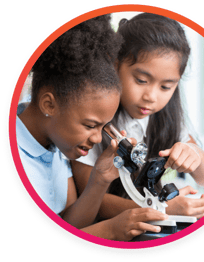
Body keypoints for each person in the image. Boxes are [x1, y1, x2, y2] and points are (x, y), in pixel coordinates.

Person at [16, 14, 168, 241]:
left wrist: (100, 180)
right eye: (90, 125)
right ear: (49, 104)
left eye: (103, 127)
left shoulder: (56, 146)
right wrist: (109, 230)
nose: (98, 138)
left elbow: (68, 224)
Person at [72, 13, 204, 221]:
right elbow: (92, 200)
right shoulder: (93, 117)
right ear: (115, 65)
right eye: (141, 80)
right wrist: (162, 209)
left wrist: (194, 153)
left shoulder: (167, 116)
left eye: (166, 86)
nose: (151, 97)